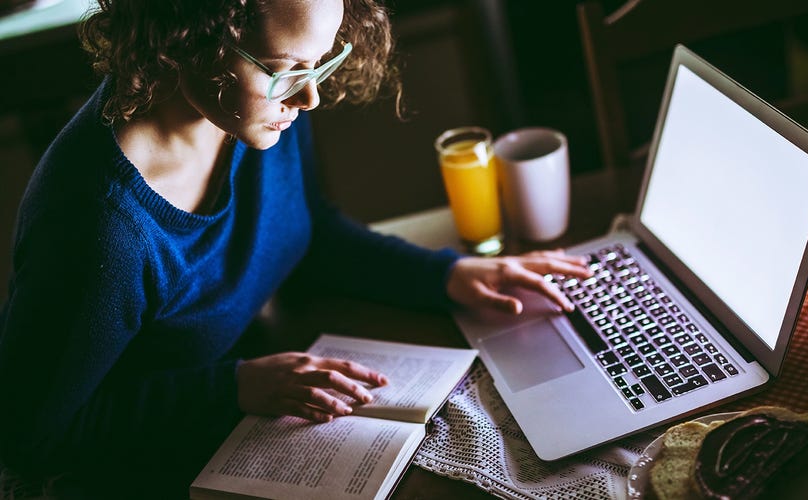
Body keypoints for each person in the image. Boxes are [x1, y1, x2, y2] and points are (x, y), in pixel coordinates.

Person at [0, 0, 590, 497]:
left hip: (246, 420)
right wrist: (232, 386)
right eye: (286, 70)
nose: (309, 97)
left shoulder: (250, 107)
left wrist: (449, 275)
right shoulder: (100, 227)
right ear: (186, 40)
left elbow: (308, 234)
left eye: (322, 60)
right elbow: (33, 439)